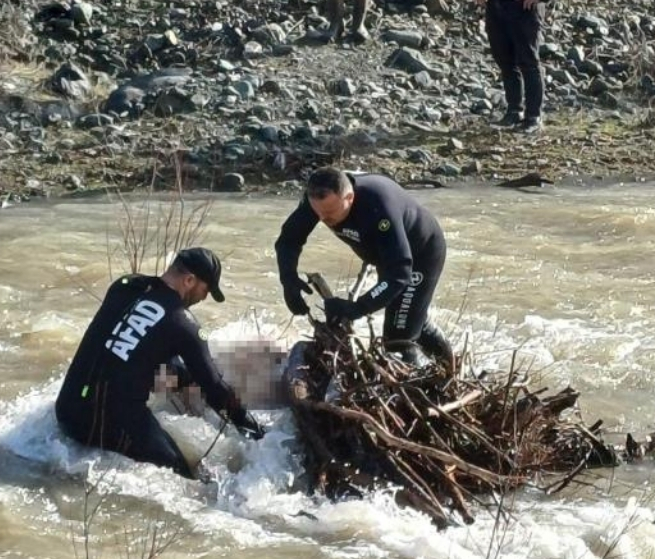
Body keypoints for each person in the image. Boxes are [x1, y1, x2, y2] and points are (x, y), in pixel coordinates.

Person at [55, 247, 265, 479]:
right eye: (205, 291)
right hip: (100, 422)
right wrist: (257, 433)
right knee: (184, 477)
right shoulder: (183, 324)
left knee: (174, 371)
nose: (204, 298)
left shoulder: (125, 285)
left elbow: (129, 345)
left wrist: (182, 376)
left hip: (66, 409)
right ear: (189, 280)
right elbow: (215, 389)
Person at [274, 168, 453, 367]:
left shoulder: (378, 206)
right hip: (386, 256)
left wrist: (357, 308)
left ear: (349, 197)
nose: (323, 219)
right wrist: (288, 280)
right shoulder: (319, 201)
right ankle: (450, 369)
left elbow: (399, 274)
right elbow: (288, 241)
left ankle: (437, 387)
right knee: (410, 319)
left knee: (397, 342)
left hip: (420, 254)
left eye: (330, 213)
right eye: (318, 214)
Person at [477, 0, 547, 133]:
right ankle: (514, 112)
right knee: (506, 62)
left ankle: (533, 117)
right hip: (496, 9)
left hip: (525, 9)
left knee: (529, 62)